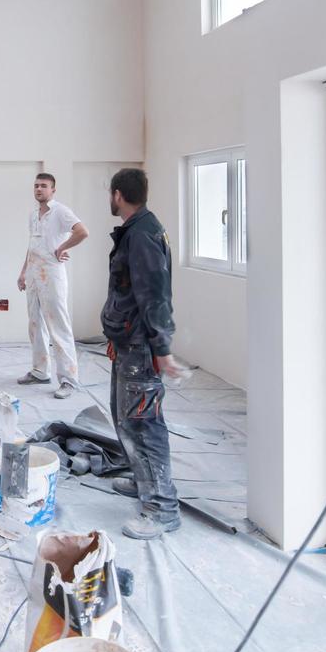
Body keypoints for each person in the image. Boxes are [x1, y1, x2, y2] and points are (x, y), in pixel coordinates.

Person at [101, 167, 182, 541]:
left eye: (110, 193)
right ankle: (142, 480)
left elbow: (155, 295)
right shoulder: (138, 230)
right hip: (128, 341)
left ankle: (162, 508)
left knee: (145, 424)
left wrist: (161, 349)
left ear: (118, 195)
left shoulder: (143, 236)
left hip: (141, 346)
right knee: (126, 419)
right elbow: (130, 292)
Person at [16, 173, 89, 399]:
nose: (39, 189)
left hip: (53, 274)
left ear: (53, 190)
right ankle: (40, 370)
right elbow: (32, 245)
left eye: (44, 186)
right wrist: (23, 272)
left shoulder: (61, 212)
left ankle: (69, 379)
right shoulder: (33, 215)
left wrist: (62, 247)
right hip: (34, 274)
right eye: (36, 186)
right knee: (35, 323)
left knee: (58, 325)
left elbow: (82, 232)